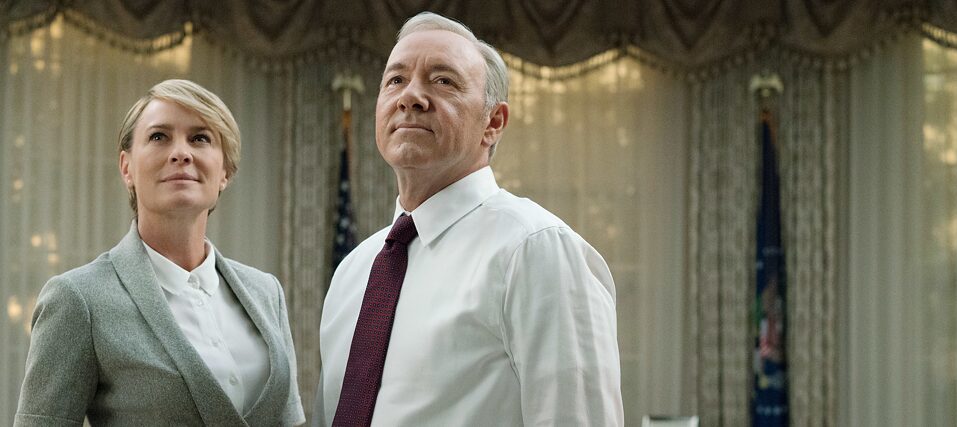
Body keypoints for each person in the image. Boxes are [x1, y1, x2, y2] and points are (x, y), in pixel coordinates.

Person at [314, 12, 623, 426]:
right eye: (396, 80)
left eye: (443, 81)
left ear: (492, 123)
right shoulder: (353, 271)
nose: (411, 97)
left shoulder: (535, 250)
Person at [15, 79, 305, 426]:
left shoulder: (266, 292)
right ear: (127, 168)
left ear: (225, 171)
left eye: (200, 138)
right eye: (159, 137)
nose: (181, 153)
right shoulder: (78, 300)